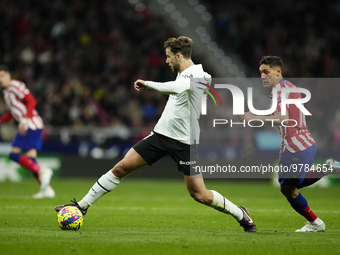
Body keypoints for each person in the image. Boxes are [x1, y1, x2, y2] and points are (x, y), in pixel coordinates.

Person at [55, 36, 256, 232]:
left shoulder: (200, 75)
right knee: (121, 167)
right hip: (160, 135)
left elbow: (177, 89)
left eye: (168, 56)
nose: (166, 61)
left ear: (179, 56)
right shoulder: (185, 73)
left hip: (184, 142)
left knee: (199, 194)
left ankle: (240, 213)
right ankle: (81, 206)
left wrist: (148, 83)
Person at [239, 56, 336, 232]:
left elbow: (284, 119)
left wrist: (254, 117)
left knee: (289, 189)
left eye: (266, 72)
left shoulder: (279, 91)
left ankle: (315, 223)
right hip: (304, 143)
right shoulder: (288, 86)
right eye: (261, 73)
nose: (262, 76)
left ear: (278, 71)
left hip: (295, 146)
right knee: (288, 186)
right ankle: (327, 169)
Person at [0, 65, 54, 199]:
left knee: (13, 155)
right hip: (29, 125)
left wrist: (24, 120)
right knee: (31, 160)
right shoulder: (6, 93)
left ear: (8, 75)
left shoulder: (15, 85)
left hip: (30, 124)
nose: (0, 79)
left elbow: (31, 101)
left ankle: (43, 171)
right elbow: (12, 113)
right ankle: (47, 189)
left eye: (2, 76)